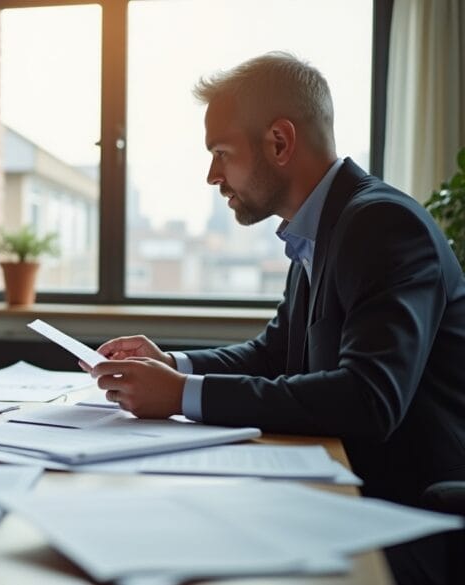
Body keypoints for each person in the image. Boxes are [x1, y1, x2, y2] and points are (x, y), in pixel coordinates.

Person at [87, 52, 465, 583]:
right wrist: (172, 364)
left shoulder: (381, 224)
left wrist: (179, 395)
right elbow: (274, 354)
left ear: (280, 142)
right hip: (344, 488)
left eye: (221, 153)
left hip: (404, 513)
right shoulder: (321, 228)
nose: (212, 175)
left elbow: (368, 398)